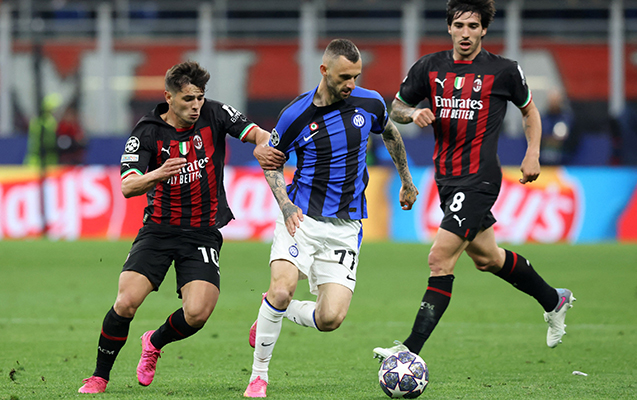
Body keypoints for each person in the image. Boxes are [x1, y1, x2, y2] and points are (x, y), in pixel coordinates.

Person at [373, 0, 575, 363]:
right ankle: (553, 299)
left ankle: (408, 351)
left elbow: (529, 111)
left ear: (484, 29)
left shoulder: (504, 71)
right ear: (449, 27)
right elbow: (396, 108)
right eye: (459, 25)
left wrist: (533, 152)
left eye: (473, 26)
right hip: (447, 179)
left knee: (439, 259)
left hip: (480, 178)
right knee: (487, 258)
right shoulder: (429, 67)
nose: (465, 33)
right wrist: (414, 113)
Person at [78, 61, 285, 394]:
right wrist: (158, 173)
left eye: (199, 97)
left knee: (198, 313)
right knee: (126, 302)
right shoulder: (147, 131)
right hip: (158, 230)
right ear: (169, 97)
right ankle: (99, 376)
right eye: (188, 99)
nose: (196, 105)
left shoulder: (216, 113)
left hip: (202, 232)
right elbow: (128, 186)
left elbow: (257, 133)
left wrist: (262, 145)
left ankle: (154, 342)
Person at [243, 38, 419, 398]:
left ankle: (273, 309)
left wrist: (406, 180)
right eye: (343, 77)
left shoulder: (370, 103)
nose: (351, 84)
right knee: (282, 288)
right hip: (302, 217)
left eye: (356, 76)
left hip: (346, 226)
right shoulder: (295, 115)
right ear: (324, 71)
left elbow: (389, 132)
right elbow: (271, 162)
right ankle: (258, 376)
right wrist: (286, 206)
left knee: (330, 319)